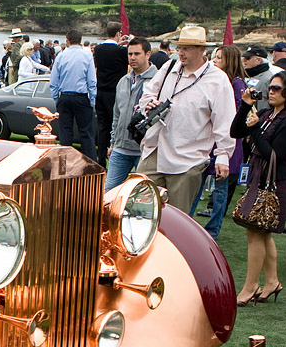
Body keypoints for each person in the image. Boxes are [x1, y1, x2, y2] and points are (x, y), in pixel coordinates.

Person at [137, 25, 236, 212]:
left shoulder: (218, 80)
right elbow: (147, 94)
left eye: (187, 48)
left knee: (176, 218)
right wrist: (149, 104)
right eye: (180, 47)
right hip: (154, 149)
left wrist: (223, 156)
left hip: (188, 158)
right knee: (138, 209)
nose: (181, 53)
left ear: (201, 50)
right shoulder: (169, 67)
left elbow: (225, 121)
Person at [229, 70, 286, 306]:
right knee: (261, 232)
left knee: (256, 232)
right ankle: (271, 281)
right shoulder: (266, 114)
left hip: (274, 184)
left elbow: (273, 154)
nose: (271, 92)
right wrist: (245, 106)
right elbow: (235, 131)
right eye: (270, 88)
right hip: (258, 180)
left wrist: (254, 130)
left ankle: (251, 286)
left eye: (277, 89)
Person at [193, 45, 246, 240]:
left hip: (226, 142)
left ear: (229, 61)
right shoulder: (214, 80)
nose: (214, 61)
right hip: (209, 142)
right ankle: (192, 225)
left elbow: (239, 114)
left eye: (219, 58)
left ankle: (213, 229)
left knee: (220, 189)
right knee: (198, 184)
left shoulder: (237, 84)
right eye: (214, 57)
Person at [106, 37, 157, 190]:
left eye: (137, 54)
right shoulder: (123, 81)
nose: (133, 58)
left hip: (145, 150)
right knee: (108, 192)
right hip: (120, 148)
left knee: (144, 195)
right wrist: (113, 143)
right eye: (130, 54)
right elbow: (117, 115)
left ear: (147, 54)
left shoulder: (158, 81)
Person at [49, 29, 97, 159]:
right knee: (86, 133)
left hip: (64, 96)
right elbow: (91, 80)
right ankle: (91, 163)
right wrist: (92, 100)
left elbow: (53, 81)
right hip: (81, 97)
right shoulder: (87, 55)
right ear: (80, 41)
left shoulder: (61, 55)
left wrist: (56, 99)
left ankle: (64, 163)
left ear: (67, 41)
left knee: (65, 133)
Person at [94, 21, 130, 166]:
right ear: (118, 34)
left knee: (103, 127)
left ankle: (101, 158)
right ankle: (115, 154)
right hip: (115, 91)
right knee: (116, 125)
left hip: (100, 90)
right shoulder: (121, 51)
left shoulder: (98, 49)